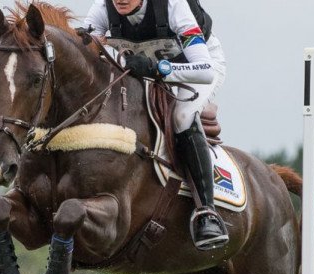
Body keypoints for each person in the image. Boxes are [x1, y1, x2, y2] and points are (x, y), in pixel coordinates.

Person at [84, 0, 229, 251]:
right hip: (144, 69)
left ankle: (207, 211)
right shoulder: (101, 9)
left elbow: (204, 70)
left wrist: (157, 68)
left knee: (181, 116)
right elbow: (84, 50)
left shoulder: (173, 6)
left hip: (194, 67)